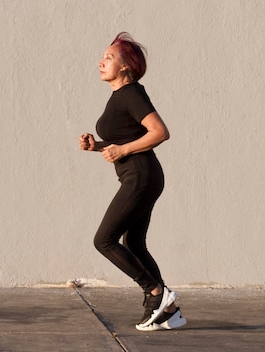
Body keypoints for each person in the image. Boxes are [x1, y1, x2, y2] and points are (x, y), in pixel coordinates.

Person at [78, 32, 187, 331]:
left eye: (109, 58)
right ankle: (170, 310)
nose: (101, 62)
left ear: (126, 67)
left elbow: (159, 132)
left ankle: (155, 293)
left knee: (104, 240)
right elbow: (126, 138)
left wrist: (122, 150)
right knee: (134, 242)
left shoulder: (131, 93)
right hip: (142, 175)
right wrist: (98, 146)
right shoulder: (121, 96)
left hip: (140, 176)